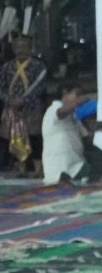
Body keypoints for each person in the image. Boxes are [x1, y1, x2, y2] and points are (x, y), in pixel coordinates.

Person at [2, 34, 47, 174]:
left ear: (30, 48)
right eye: (17, 47)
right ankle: (20, 168)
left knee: (34, 137)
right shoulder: (6, 67)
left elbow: (41, 87)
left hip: (31, 108)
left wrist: (23, 100)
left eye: (24, 46)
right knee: (13, 138)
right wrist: (8, 100)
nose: (20, 49)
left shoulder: (38, 66)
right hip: (11, 109)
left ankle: (38, 168)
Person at [42, 83, 89, 184]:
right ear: (65, 94)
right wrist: (80, 101)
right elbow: (61, 112)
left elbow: (87, 136)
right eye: (78, 94)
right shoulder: (54, 108)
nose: (81, 97)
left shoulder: (75, 114)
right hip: (60, 167)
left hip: (76, 164)